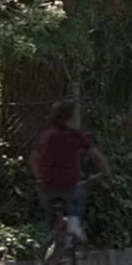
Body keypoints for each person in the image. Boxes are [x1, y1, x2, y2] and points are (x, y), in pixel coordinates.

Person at [29, 99, 109, 242]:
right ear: (70, 118)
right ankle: (74, 225)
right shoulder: (76, 136)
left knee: (50, 214)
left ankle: (50, 233)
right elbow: (97, 157)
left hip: (46, 187)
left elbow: (33, 158)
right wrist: (105, 172)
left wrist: (39, 178)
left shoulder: (46, 136)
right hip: (69, 187)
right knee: (80, 194)